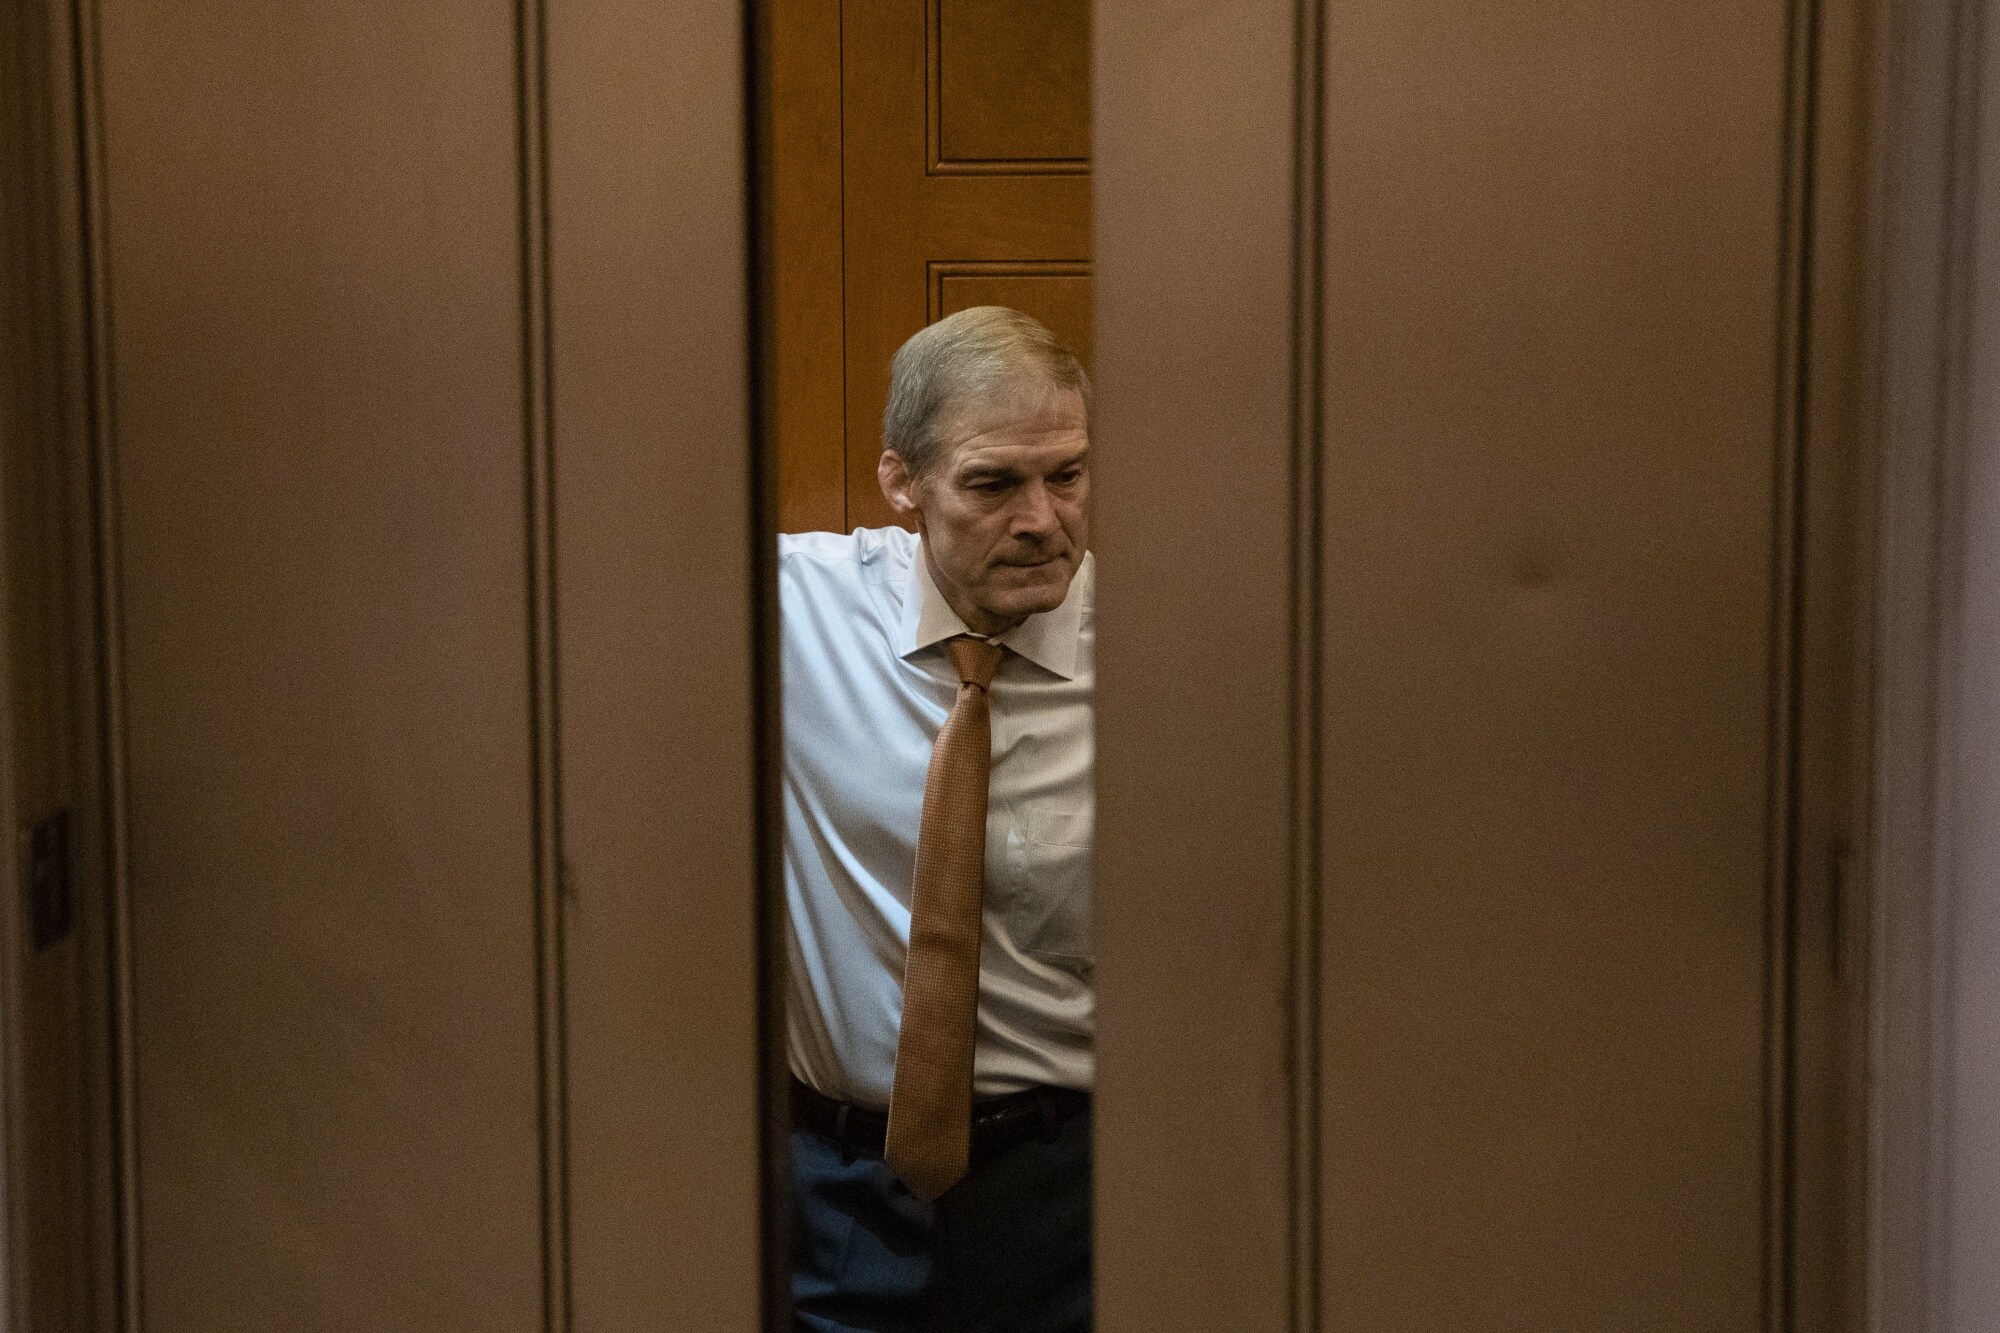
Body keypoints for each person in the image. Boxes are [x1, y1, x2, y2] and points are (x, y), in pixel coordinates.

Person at [780, 306, 1095, 1332]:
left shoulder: (1169, 653)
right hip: (841, 1191)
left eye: (1068, 475)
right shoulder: (790, 615)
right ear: (901, 484)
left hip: (1072, 1185)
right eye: (994, 483)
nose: (1043, 519)